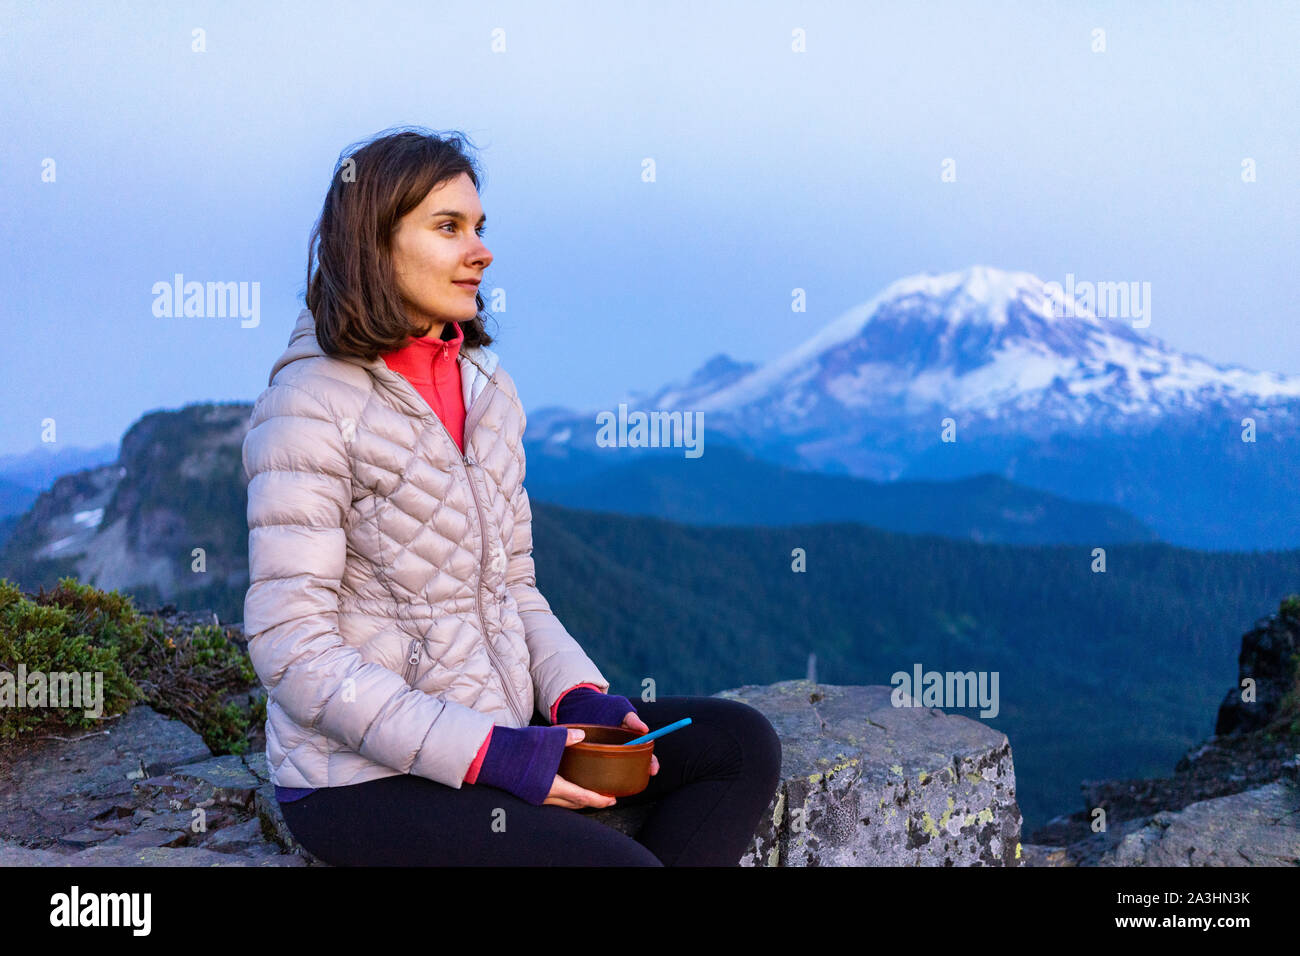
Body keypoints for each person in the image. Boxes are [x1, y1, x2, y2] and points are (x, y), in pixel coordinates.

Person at [242, 126, 782, 866]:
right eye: (448, 227)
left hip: (500, 729)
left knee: (736, 744)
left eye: (480, 227)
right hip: (361, 780)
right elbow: (293, 652)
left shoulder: (487, 387)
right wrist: (496, 757)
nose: (481, 250)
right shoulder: (308, 407)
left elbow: (514, 592)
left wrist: (577, 701)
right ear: (373, 243)